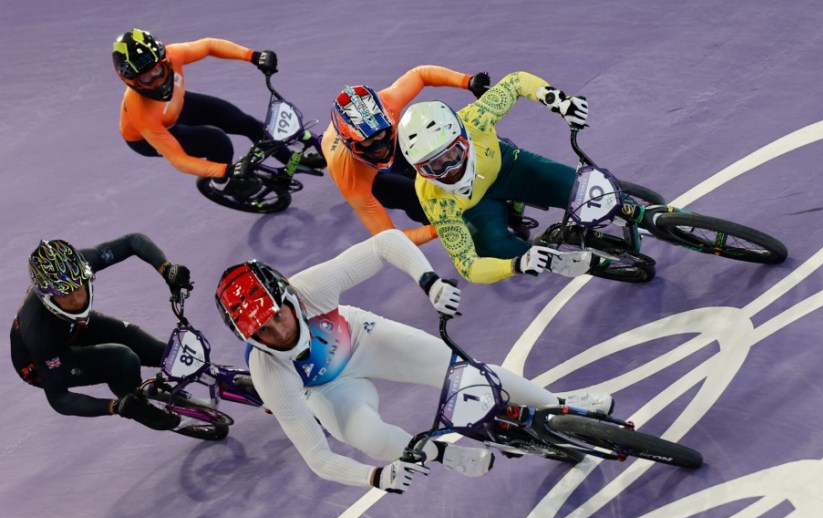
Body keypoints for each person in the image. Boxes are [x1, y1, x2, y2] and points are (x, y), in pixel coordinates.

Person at [213, 229, 612, 494]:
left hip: (362, 338)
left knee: (467, 374)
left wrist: (430, 282)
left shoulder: (311, 287)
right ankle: (441, 453)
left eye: (277, 317)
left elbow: (384, 243)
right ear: (248, 338)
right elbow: (317, 457)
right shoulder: (269, 373)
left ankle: (561, 405)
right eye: (262, 331)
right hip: (328, 389)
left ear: (287, 297)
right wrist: (374, 477)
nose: (278, 333)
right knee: (368, 437)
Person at [396, 71, 598, 284]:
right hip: (477, 206)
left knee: (580, 188)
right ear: (421, 171)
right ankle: (544, 258)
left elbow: (516, 82)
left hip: (505, 168)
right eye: (435, 165)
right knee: (494, 248)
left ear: (463, 137)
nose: (450, 168)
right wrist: (515, 266)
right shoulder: (432, 198)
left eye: (452, 153)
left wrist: (559, 102)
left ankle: (629, 208)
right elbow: (468, 265)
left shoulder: (475, 119)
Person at [10, 235, 193, 431]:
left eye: (79, 284)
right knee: (123, 360)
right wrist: (115, 407)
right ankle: (138, 405)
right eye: (65, 293)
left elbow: (132, 242)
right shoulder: (38, 333)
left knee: (153, 348)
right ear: (47, 296)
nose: (77, 298)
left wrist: (166, 269)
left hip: (73, 325)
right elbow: (59, 399)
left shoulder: (81, 264)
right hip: (45, 360)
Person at [112, 28, 306, 196]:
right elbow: (179, 160)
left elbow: (208, 46)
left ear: (165, 59)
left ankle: (291, 161)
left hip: (176, 105)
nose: (158, 80)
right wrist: (228, 171)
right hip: (148, 136)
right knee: (217, 142)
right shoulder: (140, 112)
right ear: (131, 82)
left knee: (244, 122)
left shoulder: (173, 54)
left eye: (159, 70)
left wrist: (254, 56)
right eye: (147, 78)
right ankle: (222, 185)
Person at [323, 67, 490, 246]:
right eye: (368, 142)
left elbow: (420, 75)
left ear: (386, 116)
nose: (380, 146)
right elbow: (388, 239)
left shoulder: (389, 102)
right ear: (350, 143)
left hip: (392, 146)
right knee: (413, 197)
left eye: (382, 133)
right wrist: (441, 227)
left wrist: (468, 81)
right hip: (368, 174)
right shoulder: (349, 177)